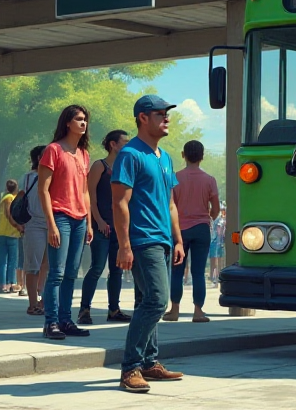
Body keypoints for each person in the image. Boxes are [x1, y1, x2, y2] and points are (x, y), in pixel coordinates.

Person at [113, 95, 186, 393]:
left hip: (164, 240)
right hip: (143, 240)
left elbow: (170, 204)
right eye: (160, 113)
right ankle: (130, 367)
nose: (166, 118)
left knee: (147, 302)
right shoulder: (130, 154)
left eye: (167, 113)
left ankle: (149, 362)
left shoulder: (165, 157)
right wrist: (124, 245)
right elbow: (120, 202)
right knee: (157, 301)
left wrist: (179, 239)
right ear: (143, 118)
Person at [38, 105, 93, 340]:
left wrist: (89, 222)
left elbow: (85, 191)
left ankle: (66, 320)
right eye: (78, 119)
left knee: (72, 273)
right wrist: (51, 224)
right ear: (67, 123)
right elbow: (43, 190)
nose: (83, 123)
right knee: (57, 273)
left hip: (80, 219)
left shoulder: (83, 153)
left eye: (85, 120)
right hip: (60, 216)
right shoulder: (53, 150)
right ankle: (50, 323)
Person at [78, 129, 134, 325]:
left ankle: (114, 309)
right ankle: (84, 309)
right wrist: (98, 221)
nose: (127, 145)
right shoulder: (99, 166)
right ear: (113, 144)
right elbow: (90, 196)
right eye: (124, 142)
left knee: (117, 270)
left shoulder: (126, 168)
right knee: (97, 267)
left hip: (119, 228)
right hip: (102, 226)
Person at [165, 140, 219, 323]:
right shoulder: (210, 180)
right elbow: (216, 209)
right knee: (198, 272)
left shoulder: (175, 178)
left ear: (183, 155)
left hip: (180, 230)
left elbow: (171, 206)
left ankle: (174, 310)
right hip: (202, 229)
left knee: (177, 271)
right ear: (202, 157)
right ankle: (198, 312)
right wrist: (208, 215)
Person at [20, 145, 49, 316]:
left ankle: (44, 301)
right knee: (33, 266)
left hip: (54, 223)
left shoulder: (57, 176)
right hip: (34, 224)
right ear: (39, 158)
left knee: (50, 266)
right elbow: (20, 200)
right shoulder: (28, 178)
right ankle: (32, 304)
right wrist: (20, 222)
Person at [0, 180, 22, 294]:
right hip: (11, 234)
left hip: (1, 234)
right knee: (12, 261)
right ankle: (11, 284)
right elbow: (9, 214)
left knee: (2, 261)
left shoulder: (3, 198)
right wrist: (17, 226)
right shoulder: (10, 198)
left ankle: (1, 284)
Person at [209, 205, 226, 288]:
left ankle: (216, 279)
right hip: (214, 242)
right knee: (215, 262)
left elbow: (220, 232)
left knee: (217, 262)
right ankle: (214, 279)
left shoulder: (218, 219)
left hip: (217, 242)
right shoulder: (215, 219)